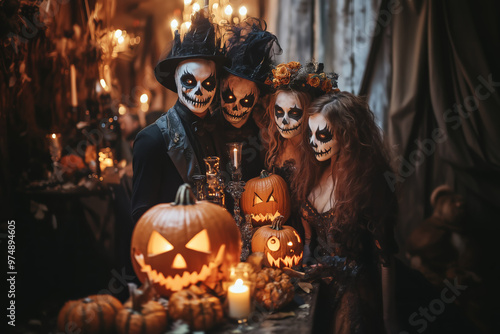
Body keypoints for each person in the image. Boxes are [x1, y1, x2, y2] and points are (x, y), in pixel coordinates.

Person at [292, 92, 398, 333]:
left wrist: (389, 318)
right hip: (315, 284)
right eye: (310, 134)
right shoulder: (312, 171)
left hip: (354, 291)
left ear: (348, 136)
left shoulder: (369, 183)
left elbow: (386, 255)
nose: (313, 142)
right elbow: (309, 241)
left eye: (323, 135)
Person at [131, 12, 225, 223]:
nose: (199, 92)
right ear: (176, 80)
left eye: (208, 83)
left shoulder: (218, 130)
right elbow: (142, 218)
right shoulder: (152, 140)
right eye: (190, 81)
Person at [216, 18, 281, 181]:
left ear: (257, 98)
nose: (235, 108)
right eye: (229, 97)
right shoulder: (207, 128)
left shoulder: (266, 130)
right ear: (220, 89)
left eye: (245, 101)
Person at [265, 61, 338, 186]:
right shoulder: (272, 141)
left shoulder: (321, 147)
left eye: (294, 113)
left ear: (308, 112)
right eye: (279, 111)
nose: (284, 121)